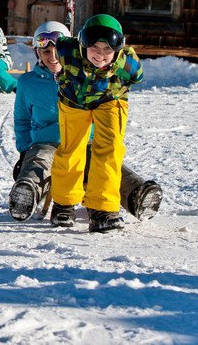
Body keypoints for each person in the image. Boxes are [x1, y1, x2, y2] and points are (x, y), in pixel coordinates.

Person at [10, 21, 161, 222]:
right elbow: (22, 120)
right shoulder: (28, 82)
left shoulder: (83, 75)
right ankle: (26, 192)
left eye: (56, 51)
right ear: (38, 53)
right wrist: (23, 151)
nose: (52, 57)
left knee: (103, 163)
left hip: (85, 141)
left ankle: (136, 194)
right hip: (45, 142)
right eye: (45, 52)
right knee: (40, 161)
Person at [50, 14, 144, 232]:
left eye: (107, 50)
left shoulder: (128, 62)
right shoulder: (66, 50)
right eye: (95, 48)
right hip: (73, 100)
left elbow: (137, 77)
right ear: (83, 43)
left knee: (109, 149)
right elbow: (54, 49)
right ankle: (64, 204)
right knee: (71, 149)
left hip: (111, 100)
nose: (100, 55)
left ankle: (103, 208)